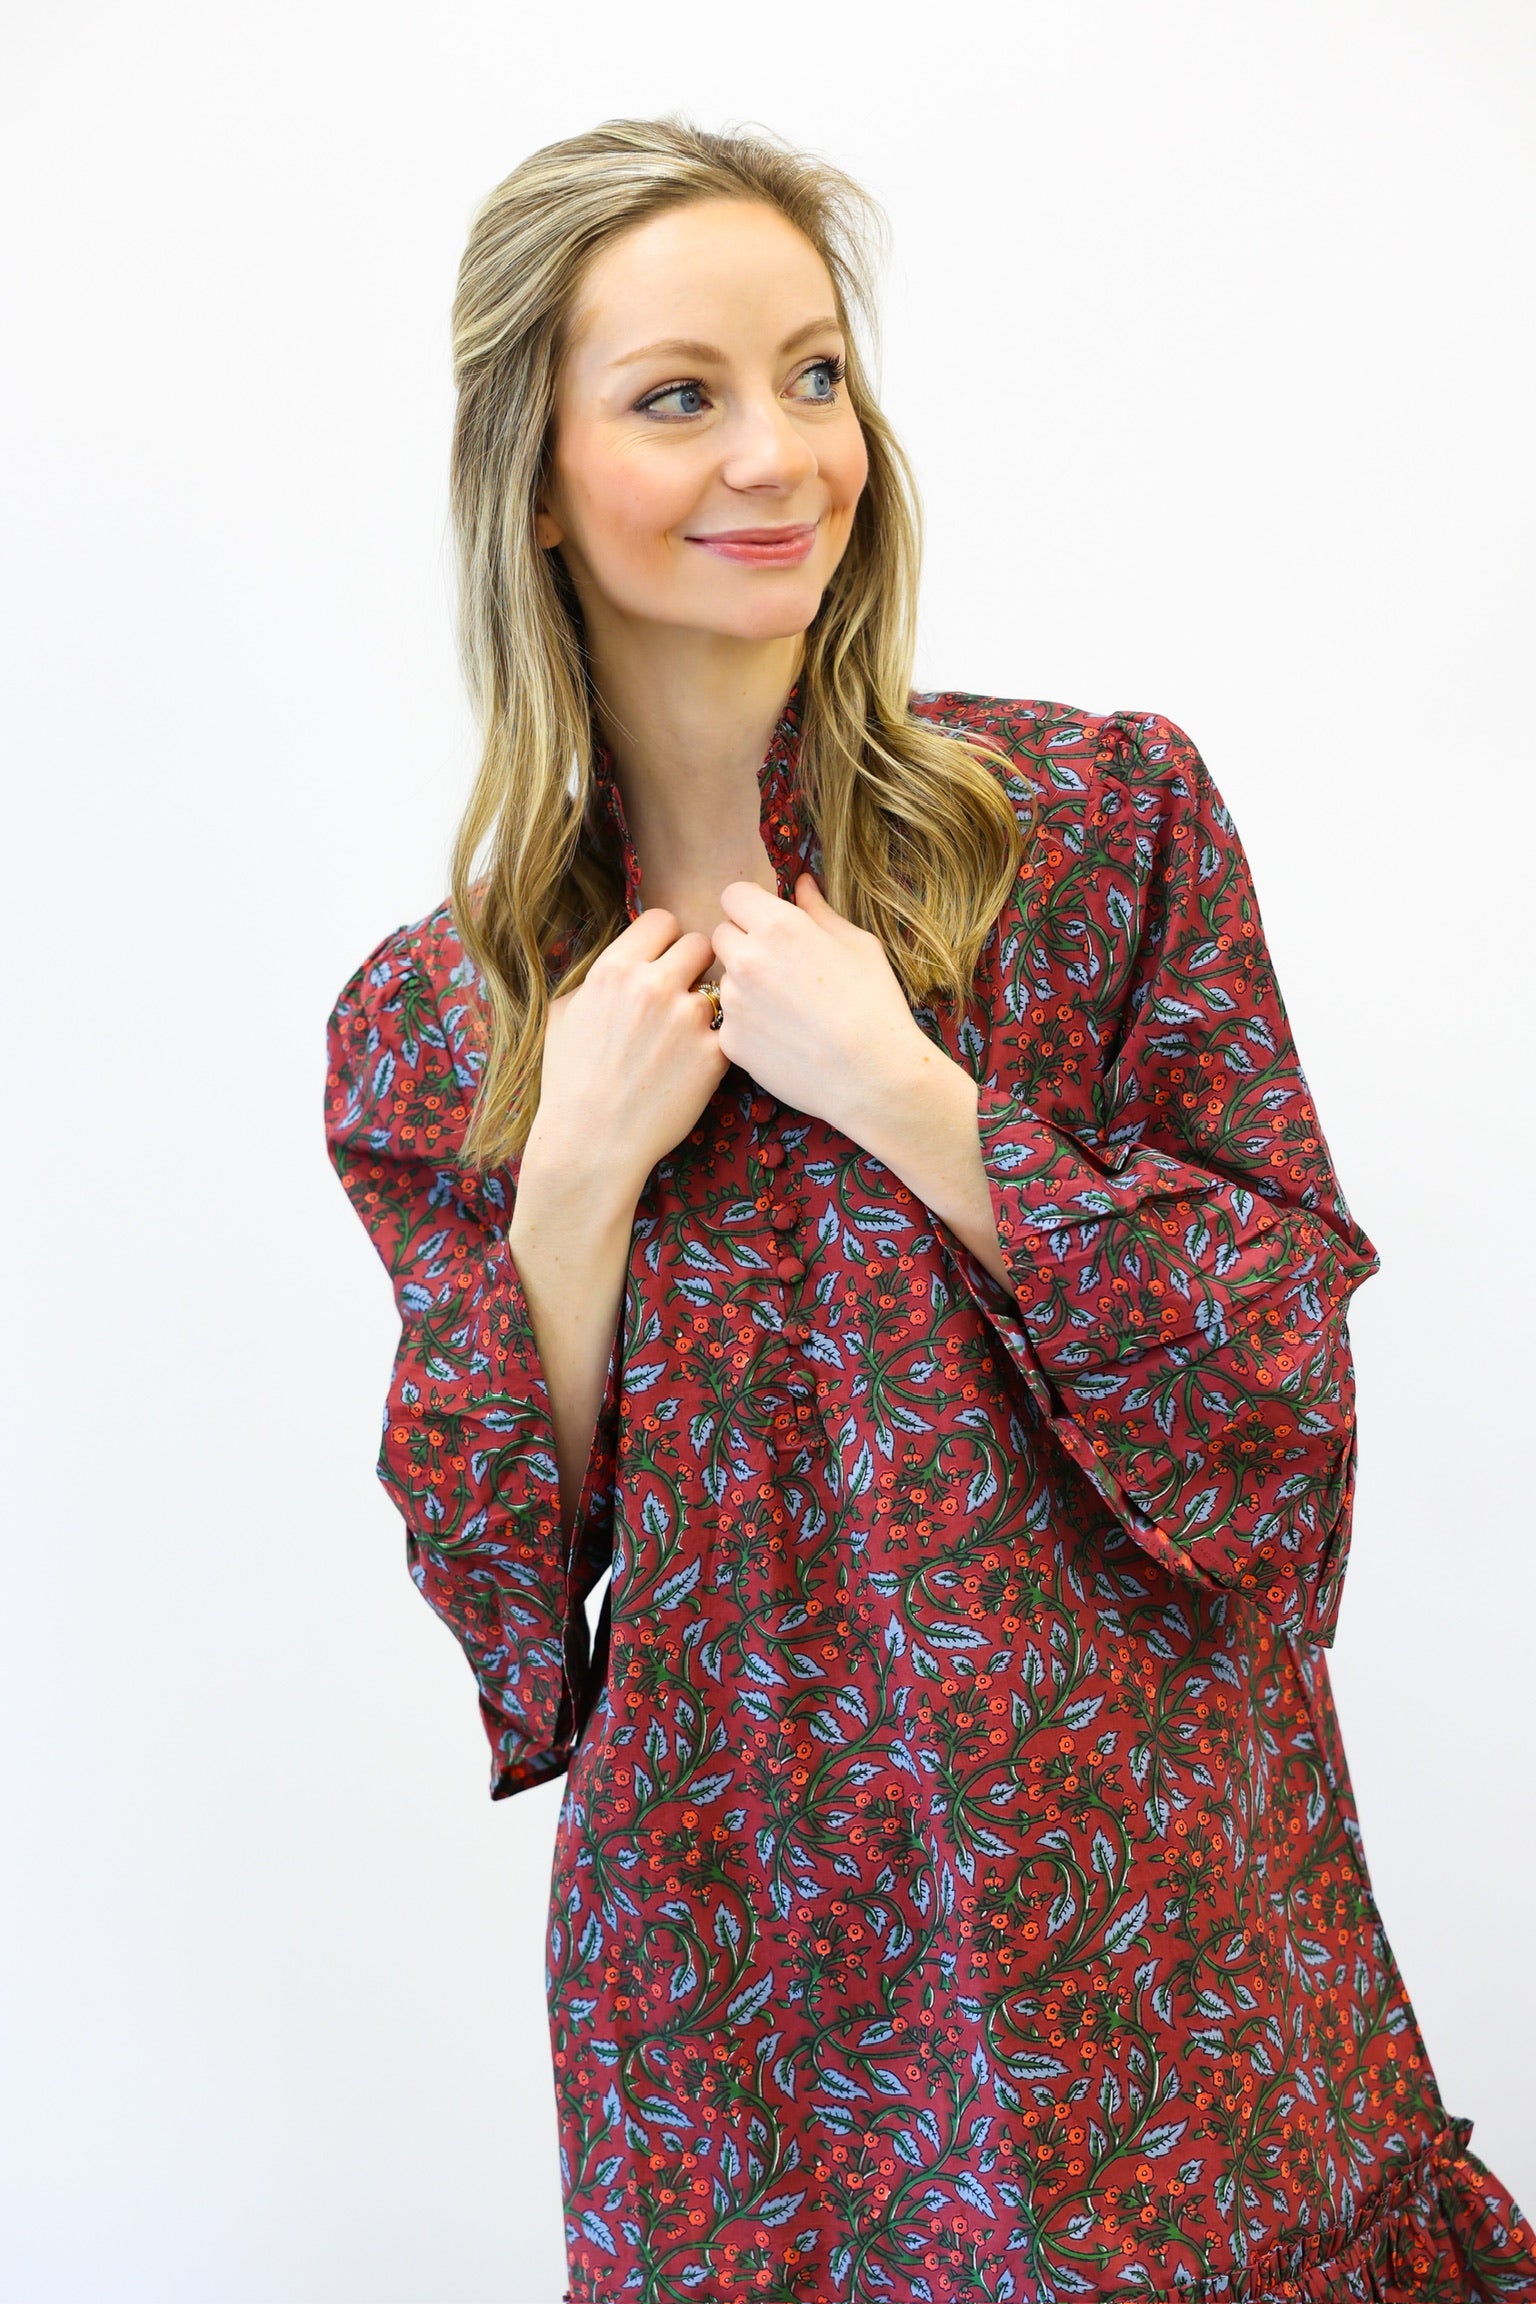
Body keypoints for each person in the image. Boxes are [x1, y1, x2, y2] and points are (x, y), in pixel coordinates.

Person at [323, 116, 1535, 2304]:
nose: (776, 451)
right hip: (746, 1977)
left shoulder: (1092, 828)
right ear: (531, 471)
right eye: (679, 393)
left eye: (814, 373)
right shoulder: (445, 1019)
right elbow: (511, 1597)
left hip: (1150, 1913)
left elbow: (1278, 1394)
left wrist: (912, 1095)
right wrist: (576, 1182)